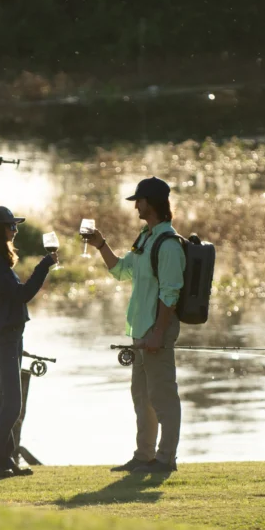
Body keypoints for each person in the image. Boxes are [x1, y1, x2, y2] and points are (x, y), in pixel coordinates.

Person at [87, 177, 186, 474]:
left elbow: (171, 293)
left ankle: (166, 459)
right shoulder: (146, 237)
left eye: (139, 201)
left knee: (163, 396)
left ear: (150, 203)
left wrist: (158, 333)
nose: (136, 206)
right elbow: (120, 270)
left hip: (157, 330)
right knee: (142, 397)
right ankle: (144, 457)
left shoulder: (168, 245)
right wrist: (100, 244)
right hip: (141, 330)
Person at [0, 205, 57, 480]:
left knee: (5, 401)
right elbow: (22, 295)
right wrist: (45, 265)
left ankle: (2, 459)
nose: (15, 230)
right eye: (12, 226)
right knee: (12, 406)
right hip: (5, 338)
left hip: (10, 336)